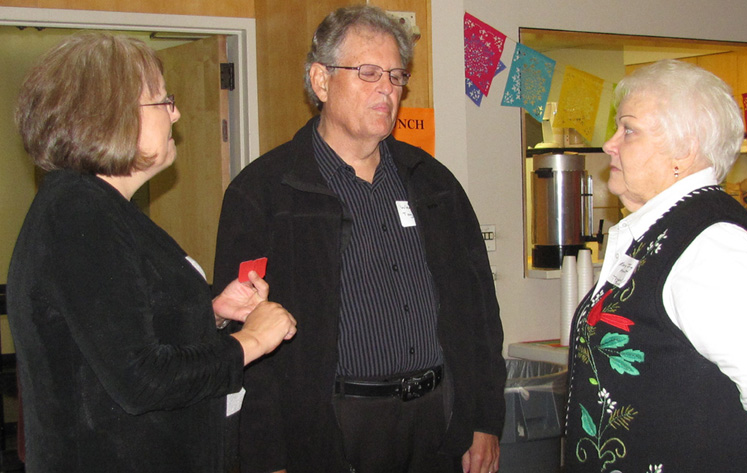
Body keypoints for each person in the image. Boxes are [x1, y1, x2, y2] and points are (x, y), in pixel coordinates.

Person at [213, 5, 505, 473]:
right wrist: (268, 456)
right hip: (331, 429)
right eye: (368, 73)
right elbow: (245, 336)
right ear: (321, 81)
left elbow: (479, 312)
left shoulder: (433, 184)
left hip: (437, 420)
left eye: (396, 75)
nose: (387, 89)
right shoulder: (265, 192)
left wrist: (485, 417)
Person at [7, 32, 297, 473]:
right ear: (110, 116)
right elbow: (140, 379)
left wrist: (211, 315)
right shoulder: (79, 215)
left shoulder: (103, 209)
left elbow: (121, 328)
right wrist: (250, 341)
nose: (176, 113)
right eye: (163, 101)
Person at [564, 59, 747, 472]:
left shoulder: (713, 247)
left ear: (684, 149)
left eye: (629, 129)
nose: (610, 144)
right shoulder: (663, 230)